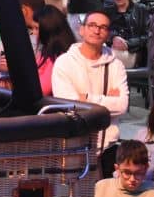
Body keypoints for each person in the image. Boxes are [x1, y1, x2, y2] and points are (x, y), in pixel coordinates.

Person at [50, 9, 128, 140]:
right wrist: (106, 101)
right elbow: (67, 106)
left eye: (103, 27)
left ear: (108, 34)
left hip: (108, 142)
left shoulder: (116, 65)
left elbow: (122, 106)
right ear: (82, 30)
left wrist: (85, 98)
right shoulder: (64, 62)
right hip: (75, 142)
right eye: (92, 25)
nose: (97, 31)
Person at [105, 0, 150, 68]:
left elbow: (148, 36)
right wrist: (113, 38)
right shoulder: (108, 11)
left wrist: (128, 44)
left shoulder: (141, 9)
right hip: (111, 49)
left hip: (133, 52)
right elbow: (103, 31)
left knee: (106, 58)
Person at [33, 4, 75, 97]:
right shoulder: (45, 52)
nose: (33, 32)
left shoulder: (58, 57)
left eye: (36, 28)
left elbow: (42, 89)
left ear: (47, 29)